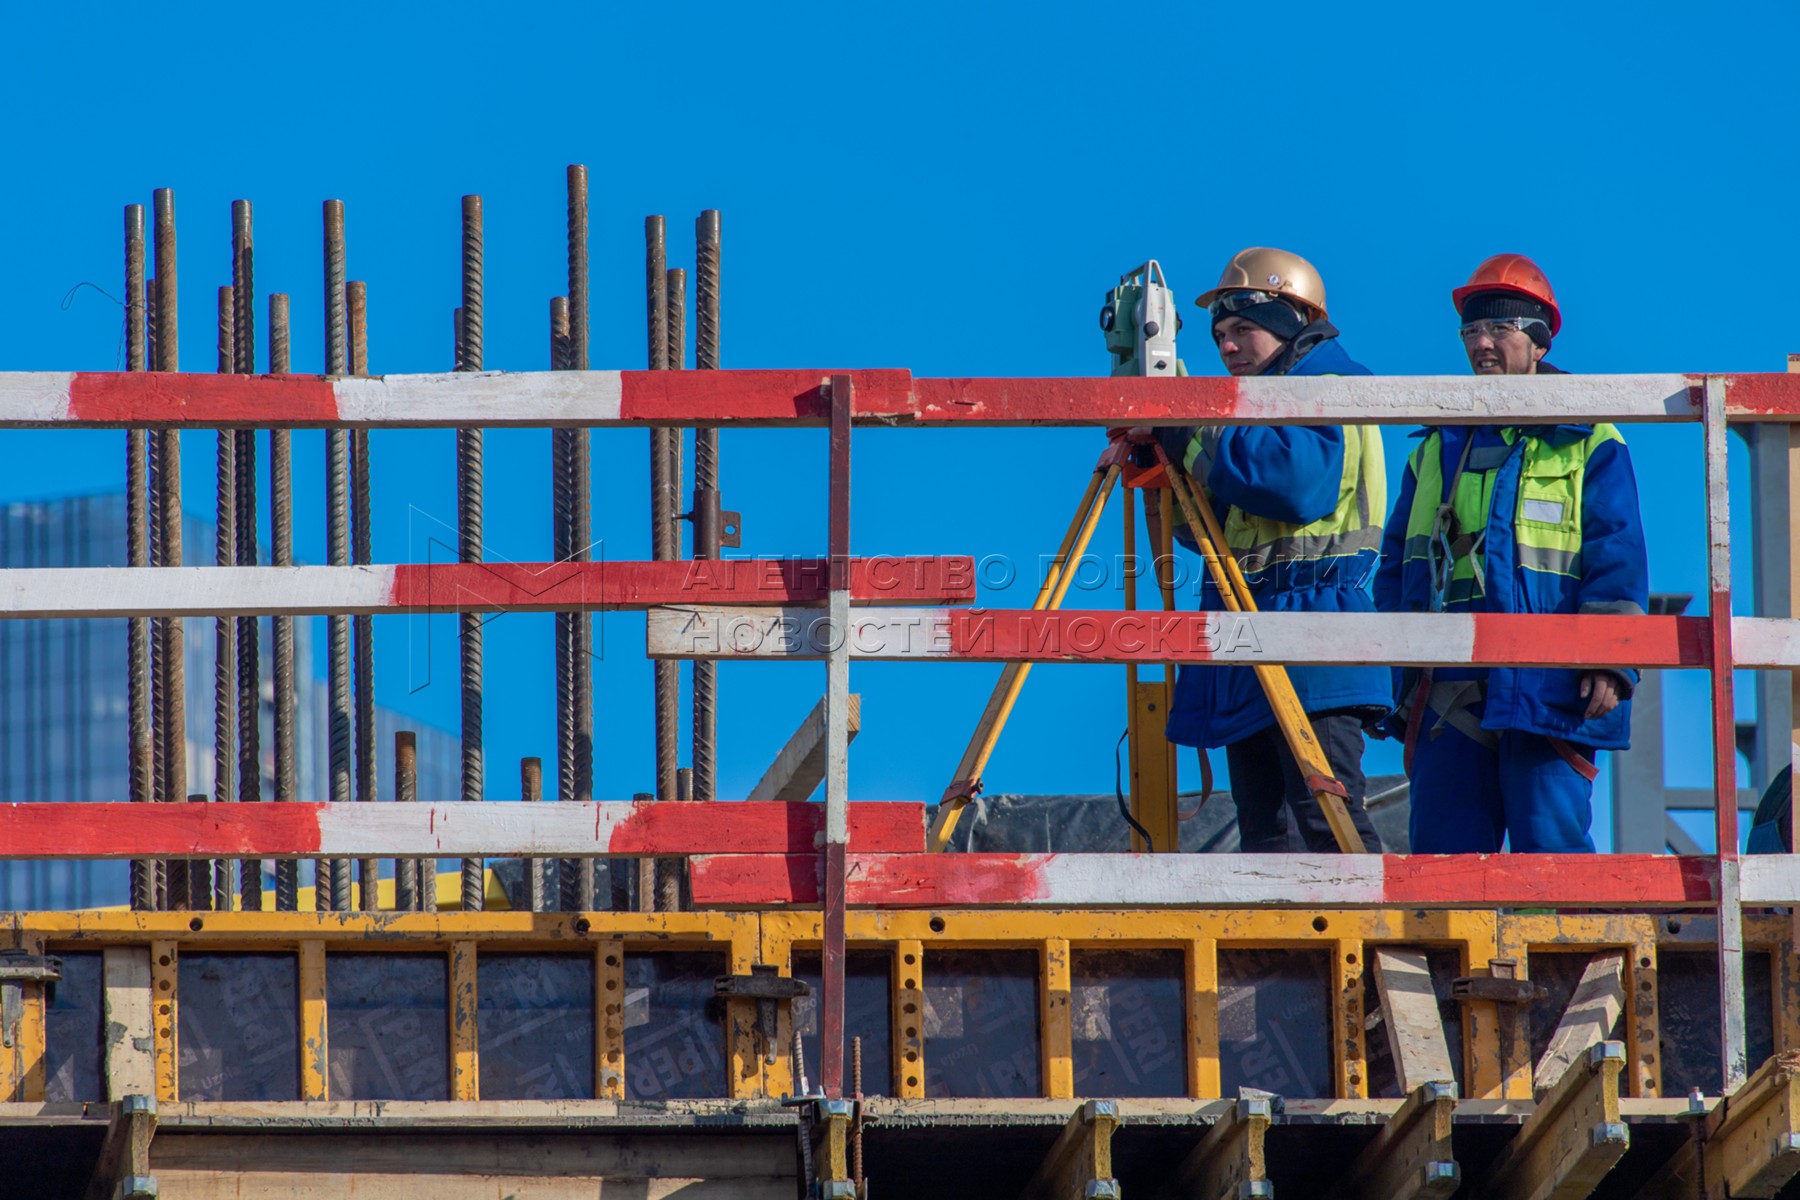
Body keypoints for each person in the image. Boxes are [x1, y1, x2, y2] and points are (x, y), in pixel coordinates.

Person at [1374, 253, 1648, 852]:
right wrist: (1400, 675)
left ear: (1540, 342)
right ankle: (1448, 954)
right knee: (1443, 859)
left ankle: (1562, 949)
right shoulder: (1434, 449)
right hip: (1448, 681)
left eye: (1501, 328)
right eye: (1471, 330)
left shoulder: (1589, 440)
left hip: (1550, 678)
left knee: (1548, 845)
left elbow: (1617, 554)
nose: (1483, 344)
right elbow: (1396, 568)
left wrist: (1610, 657)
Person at [1155, 247, 1388, 852]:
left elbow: (1293, 484)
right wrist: (1173, 460)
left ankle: (1381, 940)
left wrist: (1192, 434)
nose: (1227, 347)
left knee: (1325, 820)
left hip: (1315, 629)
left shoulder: (1330, 389)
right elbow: (1211, 524)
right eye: (1219, 335)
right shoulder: (1257, 407)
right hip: (1247, 630)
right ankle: (1287, 952)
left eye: (1243, 330)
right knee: (1267, 836)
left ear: (1290, 321)